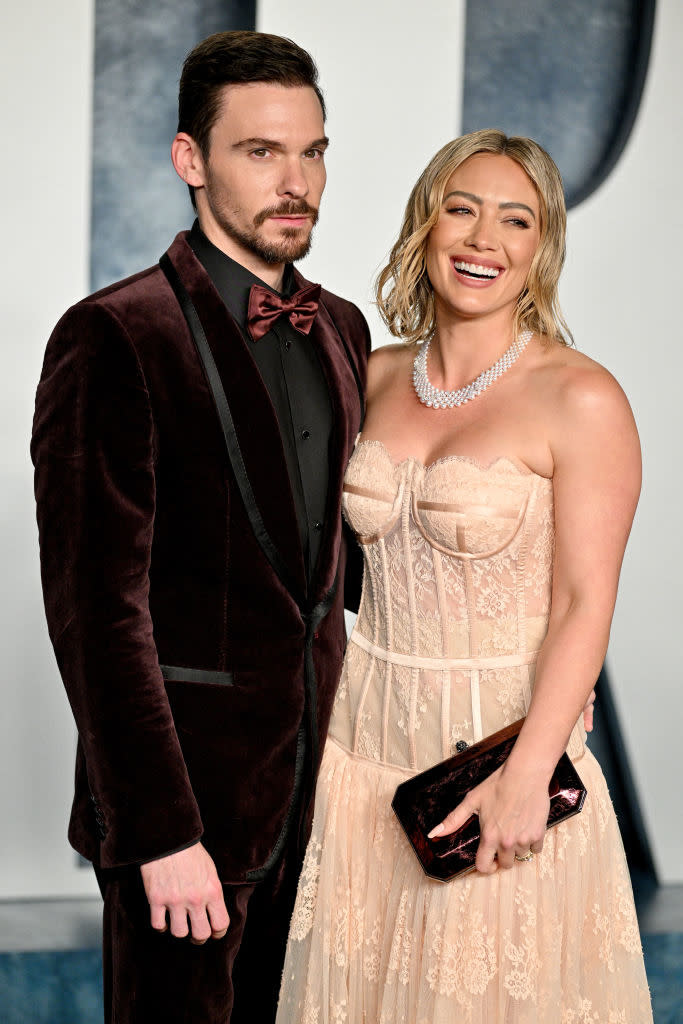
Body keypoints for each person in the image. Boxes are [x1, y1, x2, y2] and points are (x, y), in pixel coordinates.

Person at [31, 30, 370, 1024]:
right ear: (191, 161)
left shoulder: (343, 329)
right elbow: (97, 612)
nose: (295, 178)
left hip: (318, 807)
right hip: (185, 823)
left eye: (310, 151)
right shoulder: (113, 334)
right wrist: (158, 832)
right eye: (259, 152)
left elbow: (344, 577)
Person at [277, 129, 653, 1023]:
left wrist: (532, 769)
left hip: (498, 749)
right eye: (462, 209)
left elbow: (582, 603)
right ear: (426, 225)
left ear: (540, 249)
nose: (483, 239)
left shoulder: (581, 397)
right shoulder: (364, 377)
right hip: (360, 741)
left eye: (513, 220)